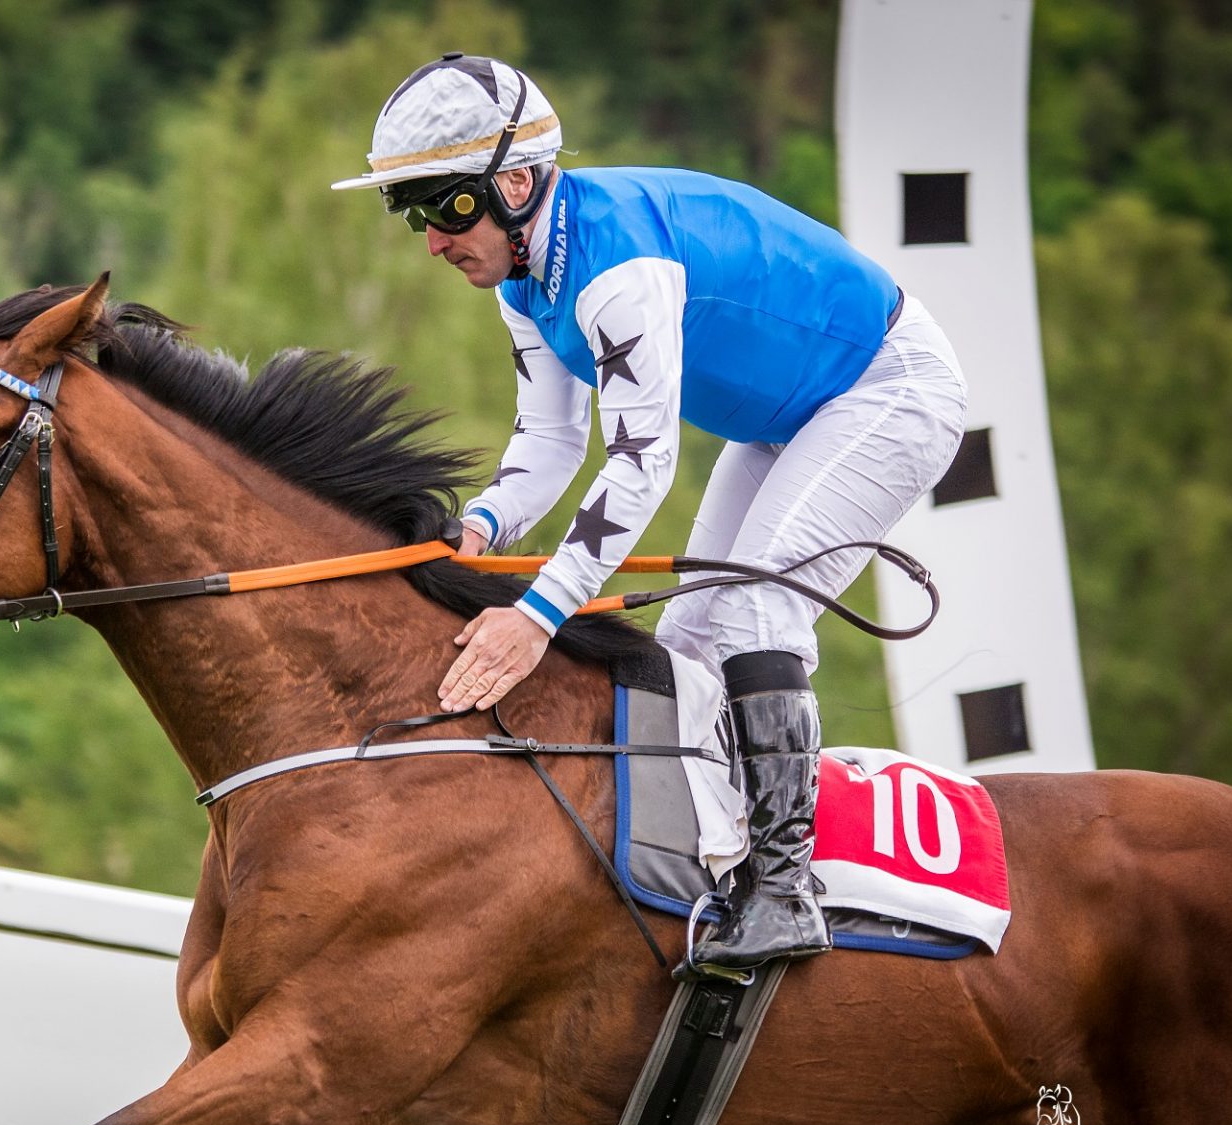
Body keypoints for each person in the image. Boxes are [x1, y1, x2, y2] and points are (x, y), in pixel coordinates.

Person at [332, 54, 968, 974]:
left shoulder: (614, 270)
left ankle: (786, 891)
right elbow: (549, 444)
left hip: (885, 390)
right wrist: (475, 530)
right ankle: (716, 869)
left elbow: (641, 461)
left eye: (446, 207)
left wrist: (539, 616)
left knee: (756, 612)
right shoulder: (522, 276)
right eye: (414, 213)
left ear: (514, 184)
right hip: (790, 415)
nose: (432, 240)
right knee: (690, 642)